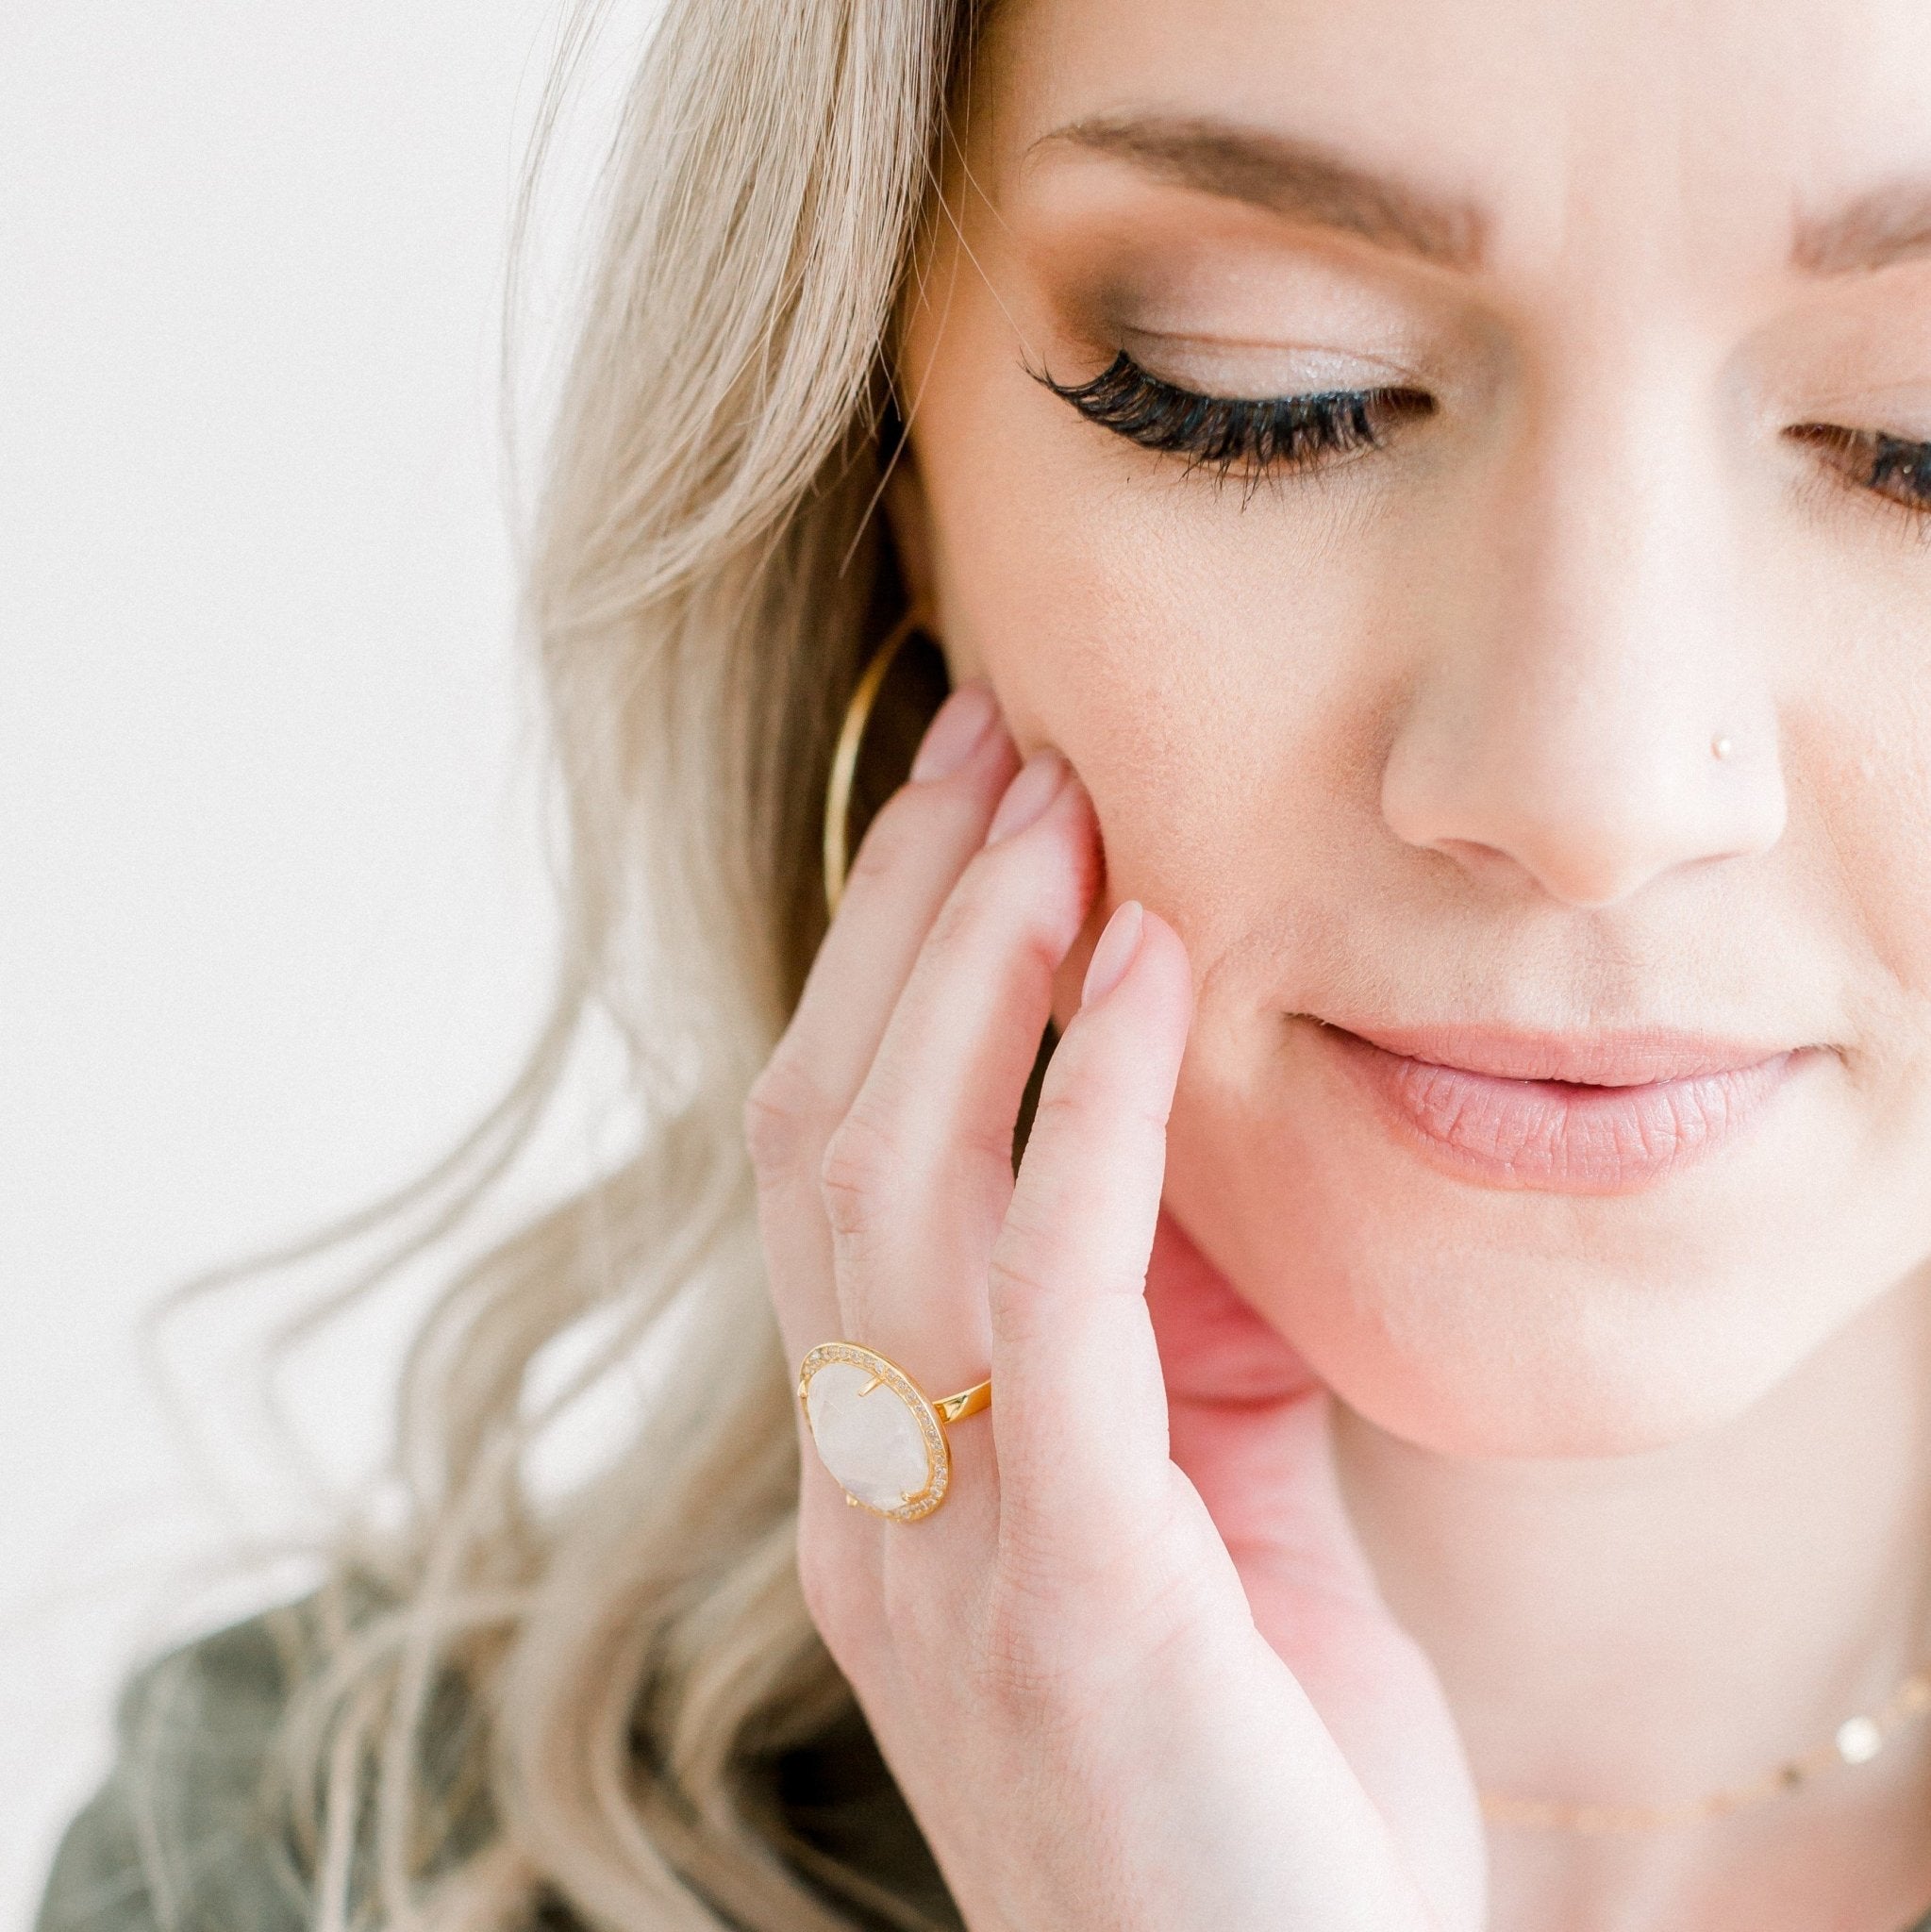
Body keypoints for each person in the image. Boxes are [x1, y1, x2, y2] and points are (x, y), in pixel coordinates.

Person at [37, 0, 1931, 1925]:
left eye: (1913, 442)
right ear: (888, 470)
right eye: (1267, 388)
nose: (1597, 793)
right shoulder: (304, 1864)